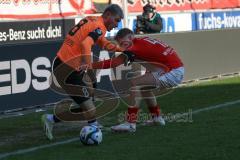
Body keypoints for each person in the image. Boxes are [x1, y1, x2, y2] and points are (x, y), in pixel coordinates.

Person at [41, 4, 124, 140]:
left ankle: (92, 123)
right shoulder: (99, 26)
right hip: (66, 68)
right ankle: (53, 119)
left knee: (89, 98)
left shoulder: (94, 20)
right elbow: (86, 44)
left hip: (68, 65)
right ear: (108, 14)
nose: (117, 24)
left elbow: (103, 43)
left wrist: (122, 50)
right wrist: (88, 67)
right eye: (117, 20)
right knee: (89, 107)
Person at [86, 28, 184, 132]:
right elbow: (155, 57)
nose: (123, 47)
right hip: (175, 69)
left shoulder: (134, 47)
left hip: (172, 71)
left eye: (123, 43)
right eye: (121, 45)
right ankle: (157, 118)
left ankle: (130, 123)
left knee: (134, 83)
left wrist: (90, 65)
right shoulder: (141, 41)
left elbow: (114, 63)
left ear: (130, 37)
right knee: (144, 88)